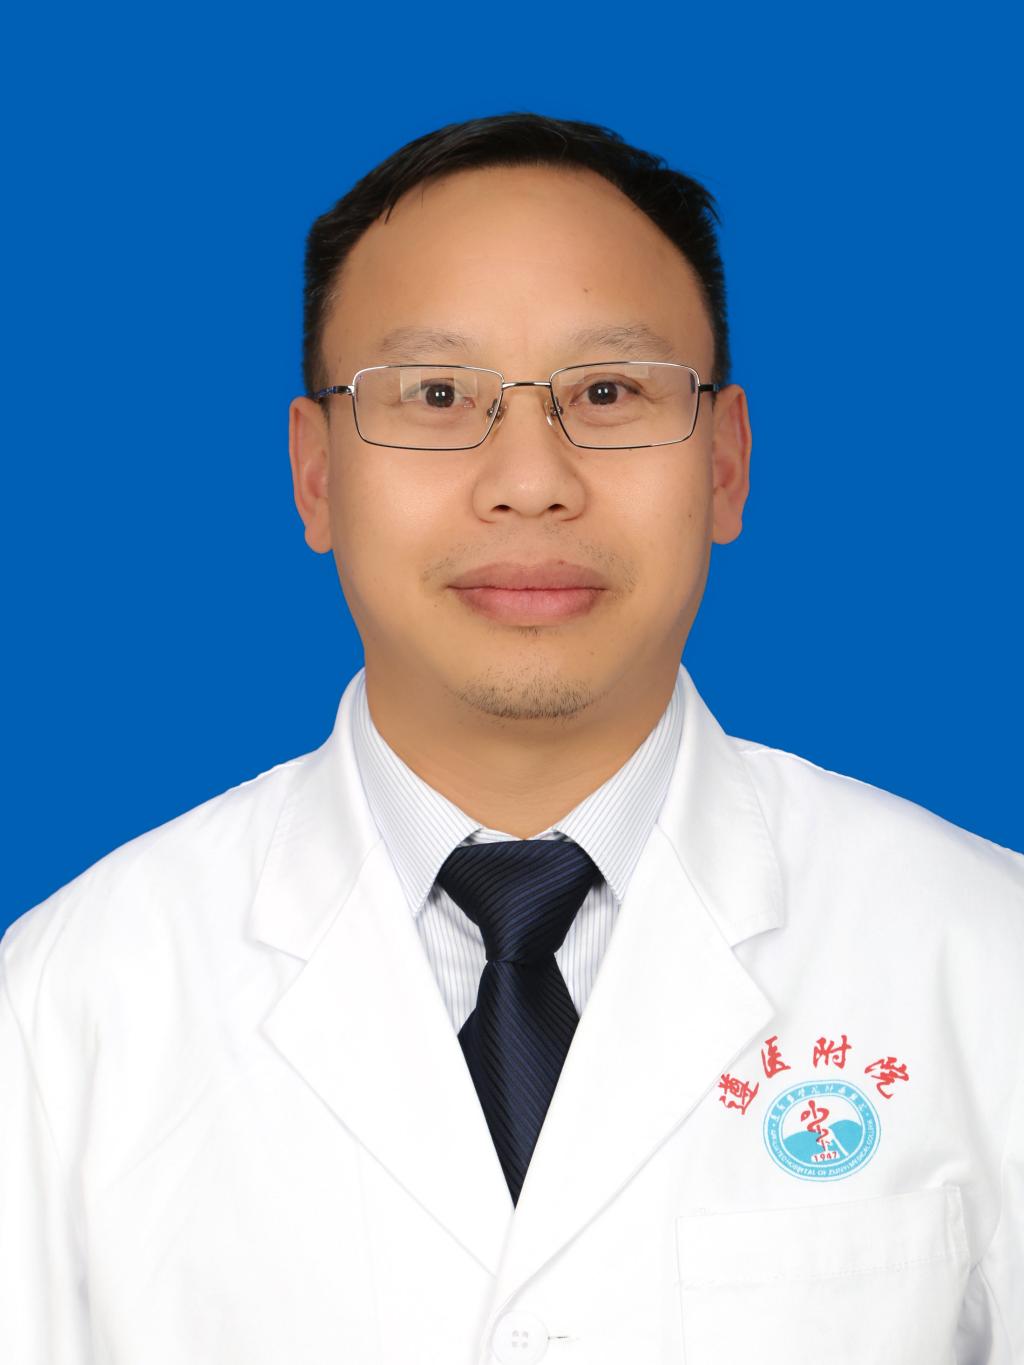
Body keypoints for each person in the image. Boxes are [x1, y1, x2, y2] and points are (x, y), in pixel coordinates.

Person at [1, 111, 1021, 1364]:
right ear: (315, 476)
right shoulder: (69, 1006)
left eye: (608, 393)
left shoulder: (984, 960)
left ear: (725, 464)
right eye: (436, 396)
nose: (530, 480)